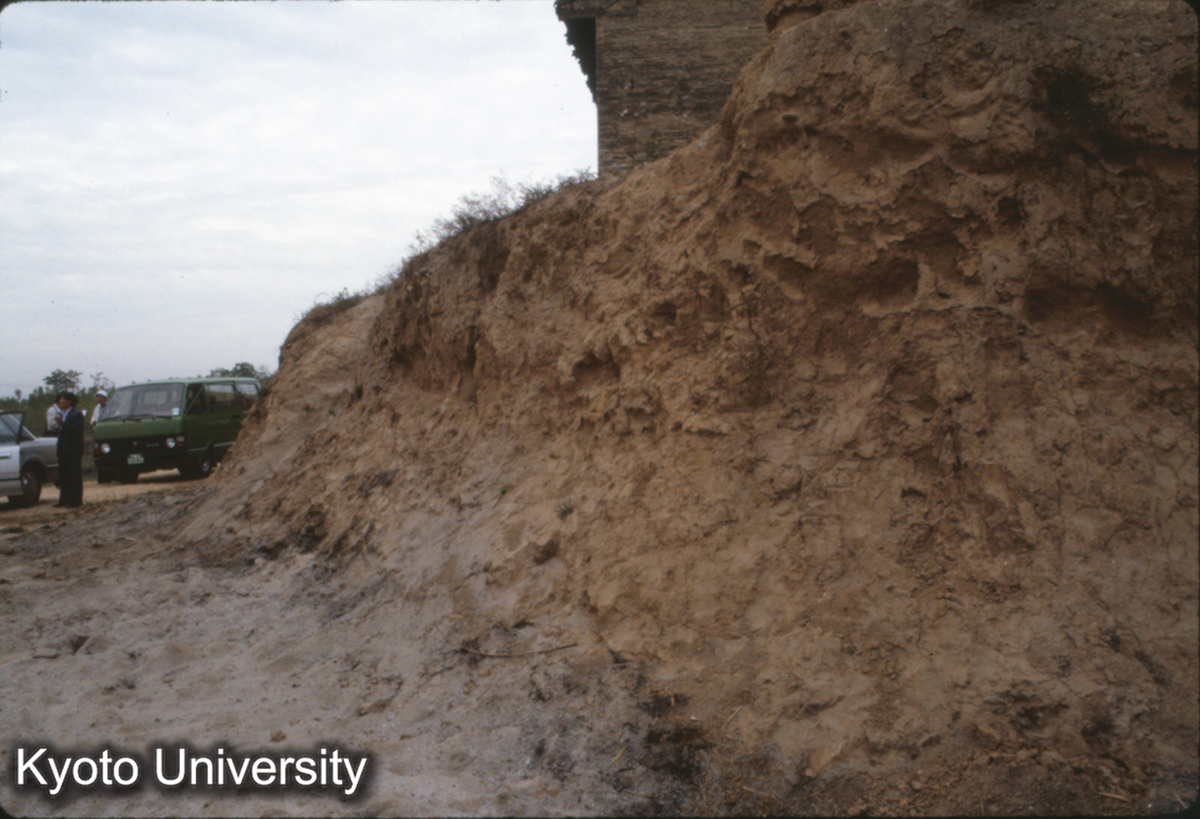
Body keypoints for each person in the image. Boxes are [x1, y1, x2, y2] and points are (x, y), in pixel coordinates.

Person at [54, 392, 84, 508]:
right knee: (64, 475)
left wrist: (63, 423)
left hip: (73, 450)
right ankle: (64, 500)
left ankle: (76, 501)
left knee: (74, 475)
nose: (60, 401)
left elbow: (77, 429)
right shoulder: (63, 413)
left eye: (62, 399)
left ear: (69, 401)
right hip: (63, 449)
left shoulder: (76, 414)